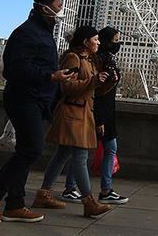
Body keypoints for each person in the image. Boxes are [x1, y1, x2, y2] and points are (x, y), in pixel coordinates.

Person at [0, 0, 74, 224]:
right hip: (23, 98)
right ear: (44, 7)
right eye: (58, 5)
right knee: (32, 148)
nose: (60, 9)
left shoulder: (43, 33)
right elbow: (14, 69)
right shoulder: (26, 33)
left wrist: (55, 79)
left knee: (24, 150)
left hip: (38, 99)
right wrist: (51, 77)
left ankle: (15, 205)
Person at [32, 25, 113, 218]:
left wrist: (108, 82)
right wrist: (94, 80)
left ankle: (44, 193)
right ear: (86, 42)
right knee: (80, 157)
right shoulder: (73, 58)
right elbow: (67, 86)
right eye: (95, 39)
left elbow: (92, 88)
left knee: (62, 155)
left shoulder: (90, 60)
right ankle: (89, 202)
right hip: (73, 113)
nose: (99, 42)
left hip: (83, 113)